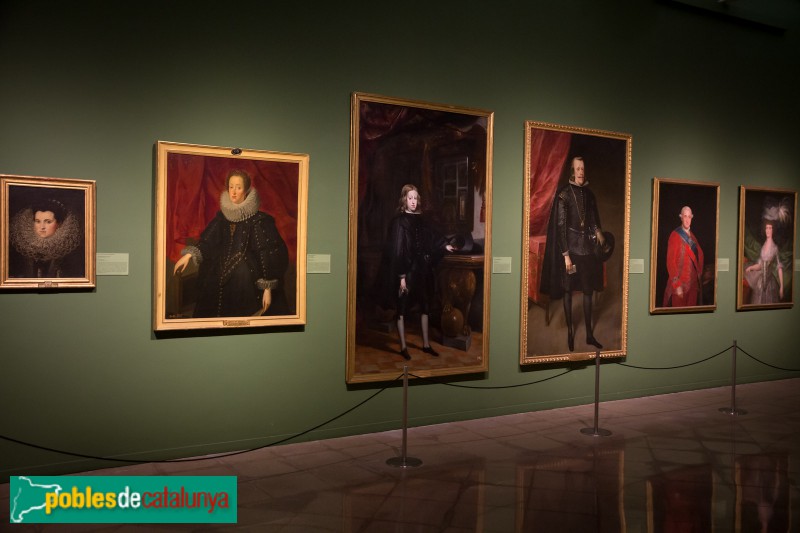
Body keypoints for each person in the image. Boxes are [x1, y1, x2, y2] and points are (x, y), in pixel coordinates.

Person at [173, 169, 289, 318]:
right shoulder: (222, 217)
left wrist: (267, 288)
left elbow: (267, 254)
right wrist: (189, 255)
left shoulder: (260, 221)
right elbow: (208, 240)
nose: (233, 192)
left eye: (238, 187)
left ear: (246, 190)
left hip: (247, 282)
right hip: (219, 274)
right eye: (231, 187)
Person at [539, 156, 610, 351]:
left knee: (587, 291)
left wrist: (599, 234)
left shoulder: (589, 195)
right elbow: (561, 228)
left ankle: (589, 334)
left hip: (587, 252)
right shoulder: (564, 195)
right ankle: (570, 332)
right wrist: (566, 256)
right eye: (577, 169)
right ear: (572, 171)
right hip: (570, 253)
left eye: (583, 169)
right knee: (568, 290)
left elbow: (593, 221)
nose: (581, 172)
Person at [387, 184, 455, 360]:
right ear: (404, 199)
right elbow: (398, 251)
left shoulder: (422, 219)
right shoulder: (399, 222)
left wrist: (445, 246)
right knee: (402, 307)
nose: (413, 201)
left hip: (422, 270)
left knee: (425, 305)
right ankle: (403, 347)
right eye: (410, 198)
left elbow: (432, 239)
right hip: (406, 271)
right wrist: (401, 277)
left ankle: (426, 344)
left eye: (415, 198)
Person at [9, 198, 84, 278]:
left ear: (59, 224)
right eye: (38, 221)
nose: (42, 227)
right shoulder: (22, 252)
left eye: (48, 222)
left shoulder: (70, 253)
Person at [743, 204, 788, 304]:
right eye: (767, 228)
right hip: (760, 283)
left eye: (770, 228)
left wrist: (781, 287)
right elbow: (760, 265)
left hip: (770, 285)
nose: (768, 230)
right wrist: (751, 268)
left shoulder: (775, 248)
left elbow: (779, 268)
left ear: (773, 230)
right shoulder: (763, 247)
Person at [662, 206, 705, 307]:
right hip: (680, 287)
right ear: (681, 217)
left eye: (689, 217)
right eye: (685, 216)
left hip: (693, 287)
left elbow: (700, 256)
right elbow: (670, 262)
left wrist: (699, 277)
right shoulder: (674, 235)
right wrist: (677, 285)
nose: (687, 220)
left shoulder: (693, 237)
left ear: (692, 218)